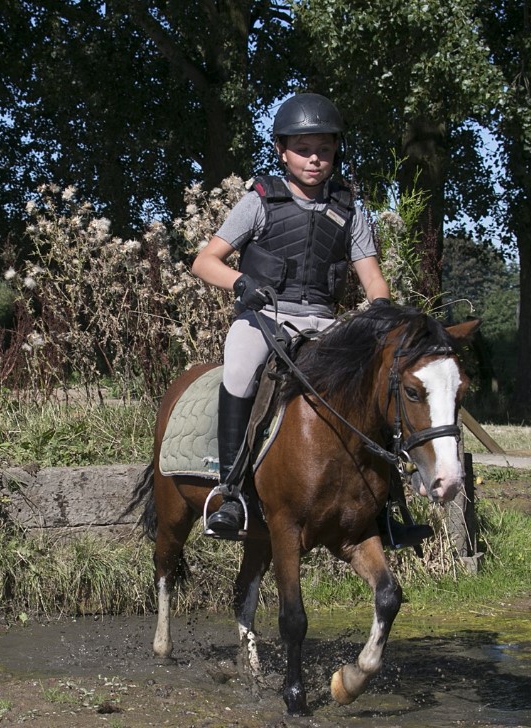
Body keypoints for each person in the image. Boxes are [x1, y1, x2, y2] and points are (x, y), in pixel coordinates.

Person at [191, 92, 415, 543]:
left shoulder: (350, 210)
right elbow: (204, 261)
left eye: (324, 150)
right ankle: (231, 494)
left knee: (376, 380)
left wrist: (380, 310)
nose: (315, 160)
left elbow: (372, 278)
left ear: (336, 152)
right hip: (266, 319)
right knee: (238, 369)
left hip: (324, 322)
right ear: (282, 151)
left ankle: (387, 505)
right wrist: (239, 283)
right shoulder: (259, 201)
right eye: (304, 150)